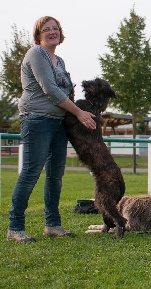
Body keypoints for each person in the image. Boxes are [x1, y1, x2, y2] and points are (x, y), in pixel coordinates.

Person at [7, 16, 96, 243]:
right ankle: (15, 228)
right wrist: (79, 112)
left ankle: (53, 224)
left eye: (55, 28)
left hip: (58, 122)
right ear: (38, 35)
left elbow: (66, 91)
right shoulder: (36, 54)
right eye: (46, 29)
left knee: (55, 175)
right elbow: (50, 89)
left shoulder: (60, 60)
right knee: (31, 173)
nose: (52, 32)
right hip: (37, 119)